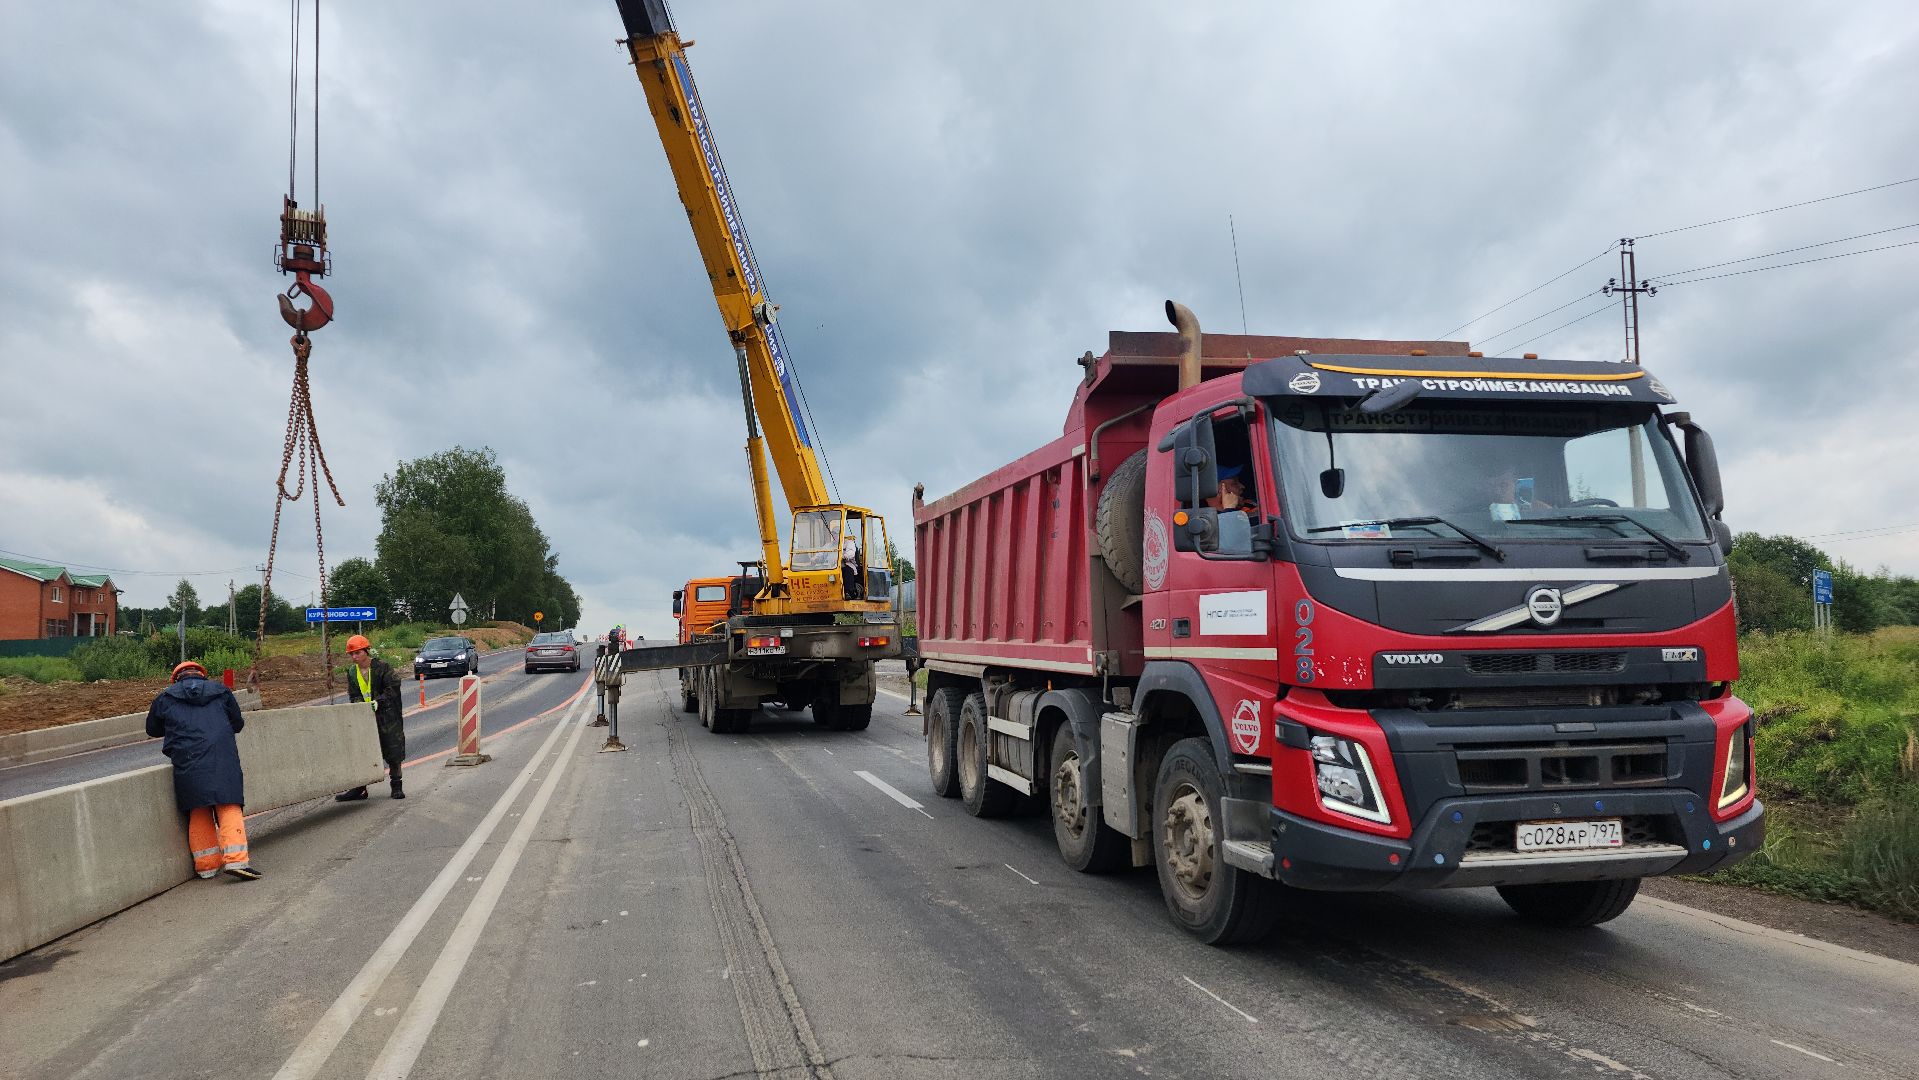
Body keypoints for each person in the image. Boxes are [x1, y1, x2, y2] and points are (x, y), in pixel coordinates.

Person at [145, 660, 261, 881]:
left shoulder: (165, 698)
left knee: (198, 808)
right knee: (228, 804)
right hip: (222, 758)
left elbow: (152, 728)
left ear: (176, 678)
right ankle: (236, 861)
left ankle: (206, 865)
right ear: (201, 675)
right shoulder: (221, 691)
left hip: (186, 761)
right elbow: (237, 723)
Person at [338, 634, 407, 801]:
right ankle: (360, 789)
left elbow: (393, 687)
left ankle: (396, 785)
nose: (354, 657)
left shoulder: (382, 667)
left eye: (357, 653)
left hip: (388, 716)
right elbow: (353, 694)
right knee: (361, 751)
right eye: (352, 654)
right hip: (365, 717)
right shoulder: (352, 672)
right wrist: (359, 706)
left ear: (366, 651)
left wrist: (379, 702)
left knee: (393, 749)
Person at [840, 519, 864, 600]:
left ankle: (849, 592)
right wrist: (814, 558)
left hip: (847, 564)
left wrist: (844, 556)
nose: (835, 536)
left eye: (837, 534)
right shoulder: (830, 544)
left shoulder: (848, 543)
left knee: (847, 570)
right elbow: (821, 553)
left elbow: (851, 553)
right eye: (833, 534)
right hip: (832, 566)